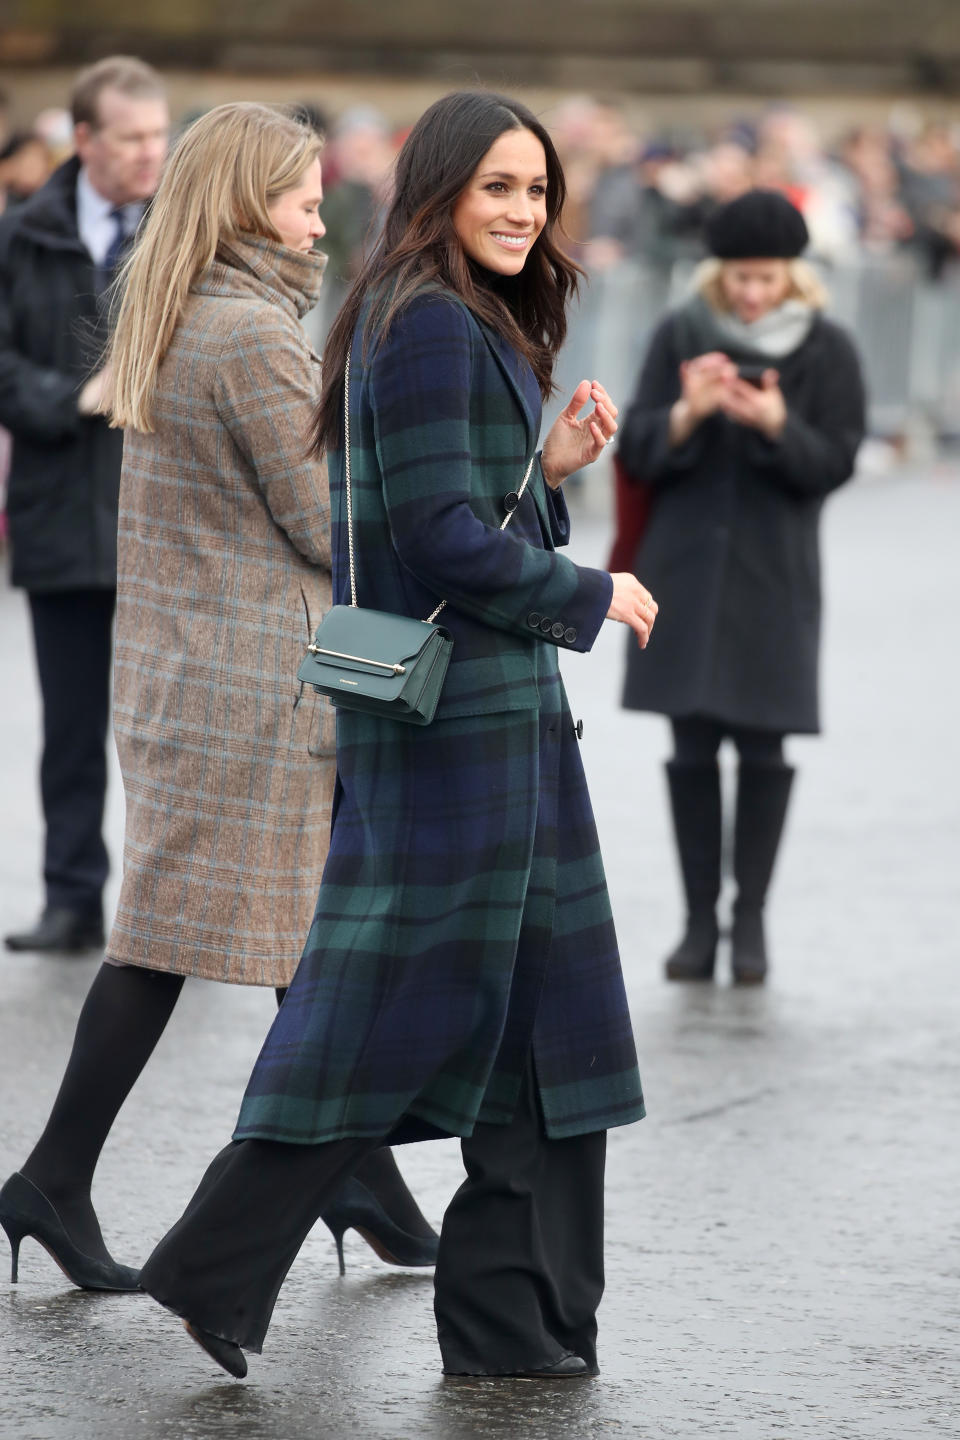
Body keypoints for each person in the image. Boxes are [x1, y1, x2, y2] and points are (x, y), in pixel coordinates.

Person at [134, 89, 657, 1383]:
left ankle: (517, 1325)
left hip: (489, 717)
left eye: (537, 191)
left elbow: (462, 513)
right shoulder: (423, 321)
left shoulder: (443, 315)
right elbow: (433, 539)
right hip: (455, 729)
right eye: (498, 188)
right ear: (437, 189)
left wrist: (549, 469)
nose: (524, 212)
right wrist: (593, 589)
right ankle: (216, 1263)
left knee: (540, 1028)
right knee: (388, 1018)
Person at [0, 102, 437, 1295]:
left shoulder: (191, 302)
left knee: (304, 942)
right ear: (249, 204)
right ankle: (54, 1176)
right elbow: (318, 521)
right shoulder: (250, 333)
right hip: (250, 687)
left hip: (210, 673)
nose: (319, 218)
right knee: (169, 947)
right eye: (302, 199)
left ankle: (352, 1176)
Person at [617, 189, 866, 985]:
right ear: (718, 275)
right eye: (740, 279)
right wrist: (688, 415)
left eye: (768, 279)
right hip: (684, 569)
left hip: (774, 573)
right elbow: (636, 452)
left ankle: (749, 919)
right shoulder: (679, 334)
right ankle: (697, 924)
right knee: (689, 742)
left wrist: (774, 426)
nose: (753, 294)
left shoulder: (828, 350)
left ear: (793, 276)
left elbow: (834, 463)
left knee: (764, 742)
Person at [0, 56, 169, 954]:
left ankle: (174, 913)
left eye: (159, 134)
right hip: (61, 511)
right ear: (85, 140)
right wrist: (74, 396)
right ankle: (72, 899)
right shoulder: (20, 234)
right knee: (71, 729)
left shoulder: (187, 230)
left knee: (171, 730)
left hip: (167, 521)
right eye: (133, 137)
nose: (151, 153)